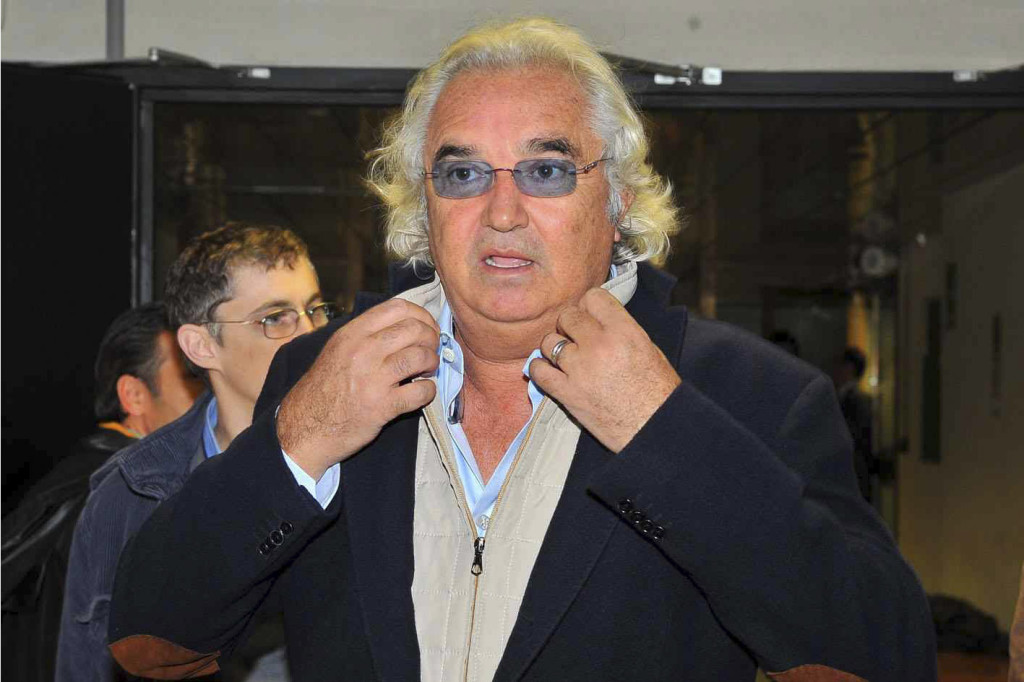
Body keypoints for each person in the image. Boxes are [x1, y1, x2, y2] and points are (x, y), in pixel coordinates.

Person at [108, 18, 935, 682]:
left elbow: (883, 652)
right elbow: (148, 634)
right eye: (462, 174)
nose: (501, 212)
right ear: (424, 203)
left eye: (545, 171)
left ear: (617, 199)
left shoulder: (746, 393)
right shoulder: (325, 375)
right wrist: (301, 439)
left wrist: (669, 435)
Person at [56, 223, 332, 681]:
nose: (309, 334)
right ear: (201, 346)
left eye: (315, 310)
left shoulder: (371, 458)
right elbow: (86, 666)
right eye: (275, 318)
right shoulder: (132, 493)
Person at [2, 302, 199, 682]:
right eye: (194, 379)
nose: (212, 396)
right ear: (134, 395)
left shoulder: (79, 477)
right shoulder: (127, 496)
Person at [833, 346, 876, 502]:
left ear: (849, 368)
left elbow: (858, 437)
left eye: (840, 364)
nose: (836, 370)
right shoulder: (843, 397)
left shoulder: (857, 400)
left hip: (853, 473)